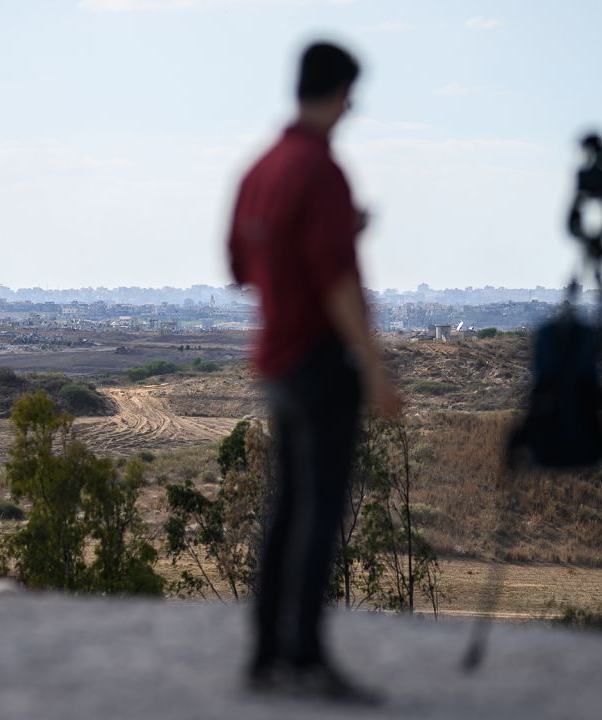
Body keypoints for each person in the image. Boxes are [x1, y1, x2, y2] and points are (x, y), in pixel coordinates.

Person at [226, 40, 402, 702]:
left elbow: (243, 267)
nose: (353, 105)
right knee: (320, 510)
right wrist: (376, 367)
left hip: (275, 357)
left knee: (288, 505)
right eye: (351, 92)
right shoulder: (321, 170)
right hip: (321, 360)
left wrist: (320, 241)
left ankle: (268, 652)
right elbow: (335, 281)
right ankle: (305, 656)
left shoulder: (262, 168)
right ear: (338, 92)